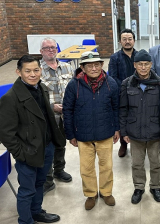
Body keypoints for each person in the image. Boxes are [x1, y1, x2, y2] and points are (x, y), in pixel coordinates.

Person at [0, 55, 65, 224]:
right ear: (18, 72)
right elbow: (6, 133)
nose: (32, 74)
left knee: (40, 183)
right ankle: (25, 220)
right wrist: (20, 154)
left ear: (40, 70)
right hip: (28, 151)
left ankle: (36, 212)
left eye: (36, 70)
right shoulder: (10, 98)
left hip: (46, 146)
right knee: (27, 189)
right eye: (27, 71)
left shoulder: (41, 87)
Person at [63, 51, 120, 210]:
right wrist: (70, 134)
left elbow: (116, 108)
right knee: (86, 168)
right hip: (83, 134)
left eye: (97, 65)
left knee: (106, 166)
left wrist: (117, 128)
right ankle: (91, 194)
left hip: (105, 132)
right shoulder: (74, 85)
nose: (94, 68)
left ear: (102, 65)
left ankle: (106, 192)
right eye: (89, 65)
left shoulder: (111, 83)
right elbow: (67, 110)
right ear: (82, 67)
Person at [119, 50, 160, 204]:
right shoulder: (127, 84)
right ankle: (139, 187)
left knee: (156, 163)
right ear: (135, 65)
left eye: (146, 64)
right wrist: (124, 131)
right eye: (140, 64)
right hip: (135, 132)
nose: (144, 67)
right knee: (137, 164)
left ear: (151, 65)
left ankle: (155, 187)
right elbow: (123, 109)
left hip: (155, 132)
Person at [39, 37, 73, 195]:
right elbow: (31, 96)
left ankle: (59, 170)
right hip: (46, 116)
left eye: (53, 47)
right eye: (47, 48)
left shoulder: (67, 67)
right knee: (48, 148)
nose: (50, 50)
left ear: (57, 49)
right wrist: (52, 107)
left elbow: (73, 90)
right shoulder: (35, 69)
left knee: (61, 144)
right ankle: (47, 178)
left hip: (65, 116)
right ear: (41, 51)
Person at [108, 28, 138, 158]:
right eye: (124, 39)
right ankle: (123, 144)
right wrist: (125, 88)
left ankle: (137, 143)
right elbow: (113, 78)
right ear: (120, 41)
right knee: (124, 119)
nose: (127, 42)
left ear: (134, 41)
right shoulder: (115, 58)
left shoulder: (139, 55)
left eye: (130, 39)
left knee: (137, 117)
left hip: (139, 93)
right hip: (122, 93)